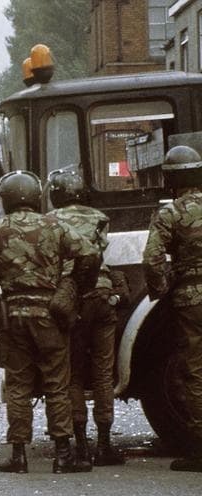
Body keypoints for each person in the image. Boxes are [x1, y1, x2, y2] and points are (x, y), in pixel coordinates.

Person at [0, 170, 101, 474]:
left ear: (5, 199)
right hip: (49, 315)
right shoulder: (55, 226)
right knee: (57, 383)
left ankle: (19, 455)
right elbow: (90, 254)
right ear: (37, 197)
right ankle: (63, 454)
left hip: (11, 315)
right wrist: (75, 286)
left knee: (18, 384)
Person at [46, 169, 124, 470]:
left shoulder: (50, 220)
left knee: (73, 374)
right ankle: (104, 444)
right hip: (102, 295)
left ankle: (80, 445)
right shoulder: (100, 217)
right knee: (103, 373)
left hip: (73, 298)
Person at [143, 145, 202, 473]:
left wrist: (162, 292)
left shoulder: (170, 213)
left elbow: (152, 259)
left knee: (194, 370)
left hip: (191, 300)